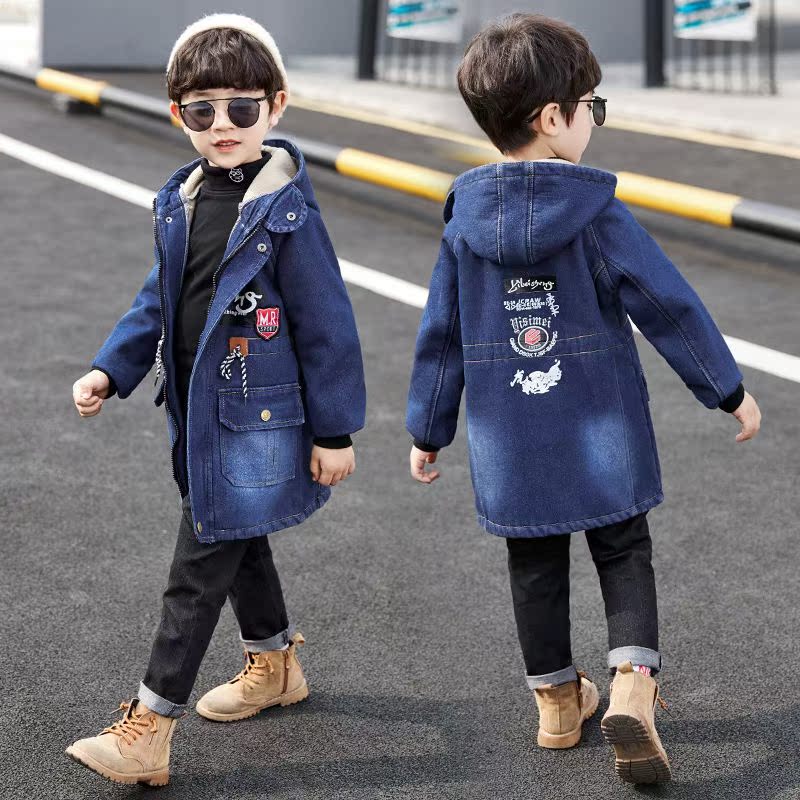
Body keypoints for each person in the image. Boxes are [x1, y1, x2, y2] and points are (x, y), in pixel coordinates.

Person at [406, 13, 761, 785]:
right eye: (591, 106)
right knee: (622, 546)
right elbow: (665, 302)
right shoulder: (594, 211)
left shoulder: (464, 221)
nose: (594, 119)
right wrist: (725, 388)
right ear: (552, 118)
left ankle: (558, 706)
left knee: (533, 558)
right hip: (599, 418)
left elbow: (443, 331)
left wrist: (427, 429)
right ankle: (632, 684)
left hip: (508, 432)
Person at [67, 13, 366, 786]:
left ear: (277, 105)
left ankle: (149, 728)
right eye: (202, 111)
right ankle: (276, 664)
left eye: (241, 107)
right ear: (179, 114)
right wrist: (110, 368)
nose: (223, 124)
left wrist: (335, 431)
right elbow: (157, 299)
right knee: (239, 538)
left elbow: (327, 324)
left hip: (256, 424)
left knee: (197, 570)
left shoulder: (287, 211)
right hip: (198, 415)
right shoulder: (185, 199)